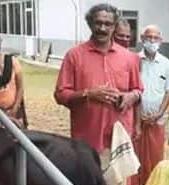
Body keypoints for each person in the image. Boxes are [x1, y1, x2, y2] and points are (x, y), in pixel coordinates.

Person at [54, 3, 143, 155]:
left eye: (108, 24)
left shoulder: (129, 58)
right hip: (87, 140)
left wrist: (130, 96)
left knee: (118, 179)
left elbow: (138, 90)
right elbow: (60, 94)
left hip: (119, 140)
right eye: (98, 23)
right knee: (86, 179)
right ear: (90, 24)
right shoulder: (74, 55)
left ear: (114, 27)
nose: (102, 28)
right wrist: (89, 94)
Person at [131, 24, 169, 185]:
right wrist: (138, 117)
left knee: (155, 156)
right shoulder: (133, 61)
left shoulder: (166, 64)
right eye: (149, 38)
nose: (152, 41)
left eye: (156, 38)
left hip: (157, 119)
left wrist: (159, 113)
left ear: (161, 41)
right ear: (142, 39)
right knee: (135, 155)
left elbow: (168, 91)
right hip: (137, 118)